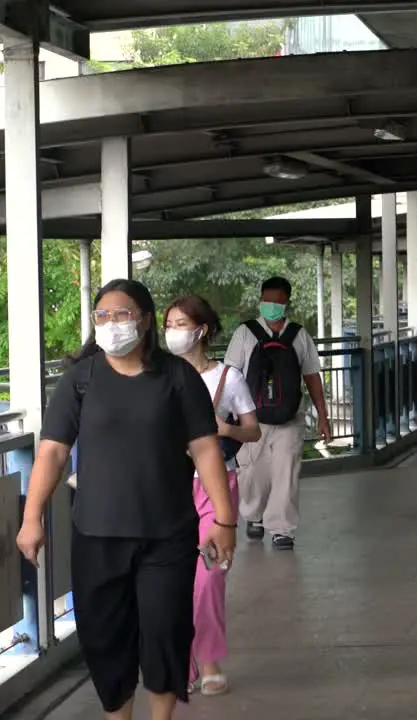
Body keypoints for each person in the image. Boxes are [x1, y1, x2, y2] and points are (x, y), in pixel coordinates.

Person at [15, 279, 237, 720]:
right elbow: (52, 450)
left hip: (168, 534)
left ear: (146, 320)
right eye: (103, 315)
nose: (112, 323)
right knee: (105, 637)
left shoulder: (177, 377)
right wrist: (31, 516)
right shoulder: (81, 380)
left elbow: (206, 447)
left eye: (123, 314)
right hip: (97, 535)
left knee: (165, 631)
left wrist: (224, 519)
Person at [164, 295, 262, 697]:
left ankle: (208, 659)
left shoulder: (228, 379)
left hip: (216, 485)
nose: (172, 331)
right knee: (171, 578)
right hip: (168, 485)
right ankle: (179, 659)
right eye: (168, 323)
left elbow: (253, 430)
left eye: (181, 323)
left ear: (202, 330)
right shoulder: (159, 374)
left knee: (209, 576)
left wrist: (226, 430)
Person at [223, 276, 330, 550]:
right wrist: (225, 414)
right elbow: (231, 375)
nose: (271, 306)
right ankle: (254, 515)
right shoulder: (244, 333)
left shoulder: (299, 335)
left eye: (277, 301)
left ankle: (282, 529)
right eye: (266, 300)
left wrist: (323, 415)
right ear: (260, 301)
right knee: (253, 471)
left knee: (286, 471)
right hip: (251, 418)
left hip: (290, 417)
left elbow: (312, 376)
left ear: (286, 303)